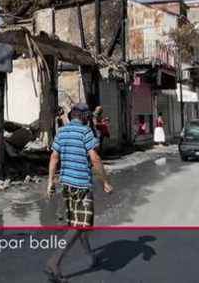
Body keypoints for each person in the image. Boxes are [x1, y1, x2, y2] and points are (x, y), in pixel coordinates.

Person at [46, 102, 113, 282]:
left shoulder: (62, 132)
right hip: (82, 186)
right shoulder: (85, 132)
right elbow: (95, 158)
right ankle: (54, 261)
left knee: (78, 224)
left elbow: (54, 157)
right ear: (83, 117)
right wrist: (105, 182)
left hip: (66, 185)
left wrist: (50, 182)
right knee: (80, 226)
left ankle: (90, 256)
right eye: (88, 116)